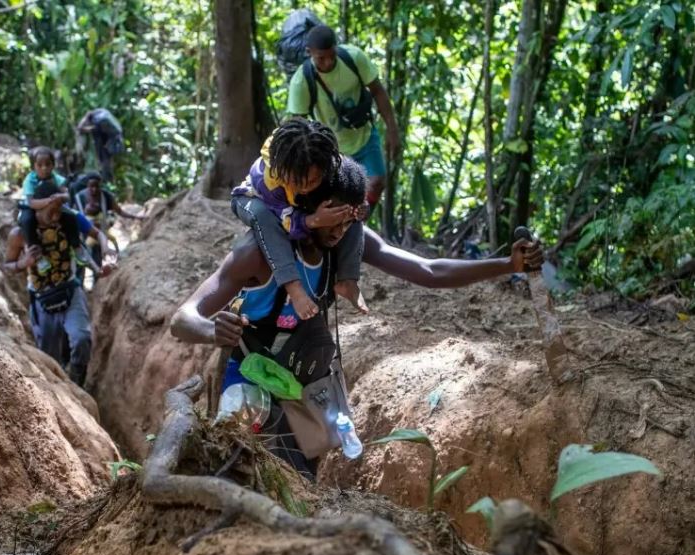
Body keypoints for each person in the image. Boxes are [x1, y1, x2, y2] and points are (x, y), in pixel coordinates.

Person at [171, 159, 543, 476]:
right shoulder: (256, 254)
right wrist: (212, 329)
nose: (339, 230)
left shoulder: (345, 242)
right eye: (332, 218)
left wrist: (507, 265)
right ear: (309, 211)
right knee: (234, 471)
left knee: (300, 486)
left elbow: (429, 270)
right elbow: (182, 319)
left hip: (305, 385)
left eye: (348, 221)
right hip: (249, 377)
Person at [231, 119, 368, 324]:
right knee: (265, 219)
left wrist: (357, 208)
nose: (305, 188)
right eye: (297, 182)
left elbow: (349, 185)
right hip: (254, 200)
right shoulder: (268, 182)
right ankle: (294, 289)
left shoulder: (322, 159)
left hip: (294, 205)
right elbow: (286, 221)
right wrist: (312, 220)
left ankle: (348, 280)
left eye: (313, 181)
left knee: (349, 211)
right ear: (283, 172)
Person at [3, 180, 114, 386]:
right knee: (49, 356)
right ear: (38, 208)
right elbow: (7, 266)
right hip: (42, 297)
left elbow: (88, 244)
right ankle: (58, 390)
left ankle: (77, 384)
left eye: (59, 211)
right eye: (50, 212)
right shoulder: (19, 235)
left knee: (81, 339)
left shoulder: (68, 220)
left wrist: (100, 265)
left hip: (70, 289)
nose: (55, 217)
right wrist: (23, 263)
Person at [287, 25, 399, 209]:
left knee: (377, 182)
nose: (328, 62)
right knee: (337, 199)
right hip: (331, 148)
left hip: (363, 136)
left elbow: (378, 91)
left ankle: (357, 223)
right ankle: (341, 228)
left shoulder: (353, 58)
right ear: (310, 53)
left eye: (332, 55)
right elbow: (297, 124)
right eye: (321, 58)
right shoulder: (302, 81)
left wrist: (392, 130)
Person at [72, 171, 145, 270]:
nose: (94, 190)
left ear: (100, 185)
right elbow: (72, 216)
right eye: (91, 187)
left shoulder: (106, 196)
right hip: (82, 236)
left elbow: (119, 211)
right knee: (81, 263)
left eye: (97, 186)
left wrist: (135, 217)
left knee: (97, 261)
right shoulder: (79, 198)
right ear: (87, 185)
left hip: (100, 233)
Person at [17, 146, 69, 251]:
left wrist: (61, 196)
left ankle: (76, 245)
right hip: (31, 206)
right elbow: (31, 202)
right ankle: (34, 247)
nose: (44, 168)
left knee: (71, 216)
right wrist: (49, 201)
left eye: (48, 164)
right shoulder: (30, 180)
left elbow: (67, 195)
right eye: (40, 165)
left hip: (54, 204)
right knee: (27, 221)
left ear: (53, 165)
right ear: (33, 167)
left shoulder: (56, 178)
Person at [76, 108, 124, 181]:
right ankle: (108, 179)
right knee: (107, 162)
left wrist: (86, 117)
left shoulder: (97, 124)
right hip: (111, 141)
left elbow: (80, 128)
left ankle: (106, 179)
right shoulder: (102, 113)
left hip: (107, 142)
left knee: (105, 162)